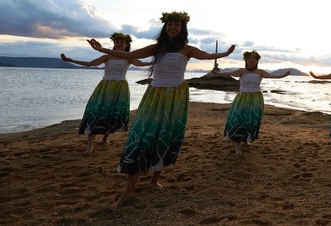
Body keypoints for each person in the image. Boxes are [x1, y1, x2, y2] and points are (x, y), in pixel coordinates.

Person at [87, 11, 235, 208]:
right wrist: (103, 49)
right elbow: (130, 55)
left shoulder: (187, 50)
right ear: (166, 27)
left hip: (176, 97)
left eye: (177, 25)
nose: (172, 27)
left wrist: (224, 54)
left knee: (167, 136)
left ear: (183, 29)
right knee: (142, 136)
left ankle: (155, 179)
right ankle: (128, 191)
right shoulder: (157, 48)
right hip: (154, 95)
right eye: (169, 24)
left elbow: (207, 55)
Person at [60, 33, 149, 155]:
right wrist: (71, 60)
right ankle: (90, 146)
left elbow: (142, 64)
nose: (119, 44)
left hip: (121, 87)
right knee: (97, 112)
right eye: (117, 42)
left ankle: (105, 138)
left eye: (122, 42)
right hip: (106, 86)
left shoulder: (129, 57)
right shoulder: (107, 57)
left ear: (127, 44)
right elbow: (90, 64)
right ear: (114, 44)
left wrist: (158, 62)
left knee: (112, 113)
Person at [213, 50, 291, 156]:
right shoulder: (242, 71)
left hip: (256, 98)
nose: (251, 60)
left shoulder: (260, 72)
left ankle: (246, 140)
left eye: (254, 59)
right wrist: (219, 73)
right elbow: (229, 74)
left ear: (257, 61)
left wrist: (282, 76)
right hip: (243, 98)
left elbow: (272, 76)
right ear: (246, 60)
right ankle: (237, 146)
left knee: (251, 120)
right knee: (239, 120)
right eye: (249, 58)